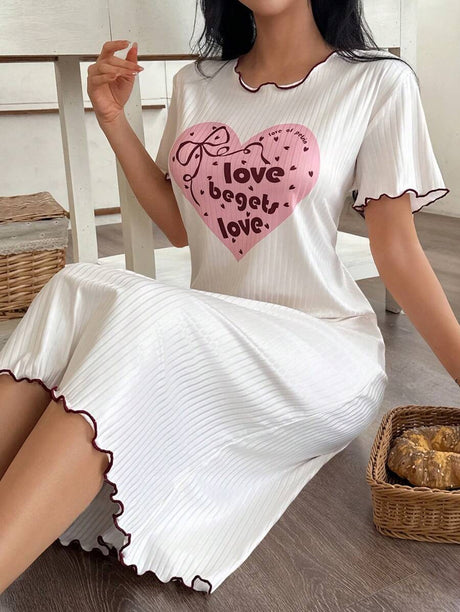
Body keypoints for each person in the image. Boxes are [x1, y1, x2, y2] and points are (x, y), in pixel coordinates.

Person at [0, 0, 458, 597]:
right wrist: (112, 118)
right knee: (73, 283)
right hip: (218, 337)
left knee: (144, 314)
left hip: (319, 352)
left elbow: (397, 250)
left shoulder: (376, 82)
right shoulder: (198, 84)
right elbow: (182, 226)